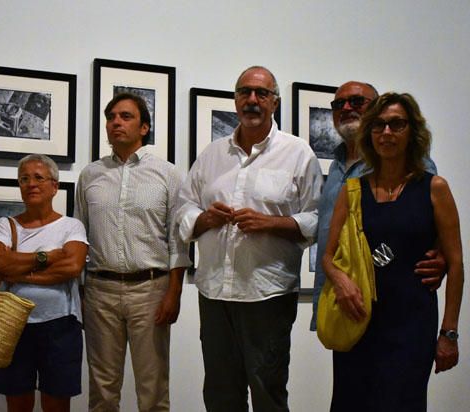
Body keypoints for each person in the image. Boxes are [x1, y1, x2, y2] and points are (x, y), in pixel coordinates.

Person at [176, 66, 322, 411]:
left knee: (267, 392)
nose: (252, 100)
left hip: (267, 295)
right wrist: (204, 218)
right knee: (220, 394)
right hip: (215, 294)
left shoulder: (298, 153)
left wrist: (271, 223)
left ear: (275, 102)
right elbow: (183, 208)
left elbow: (318, 219)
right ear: (235, 100)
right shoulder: (212, 154)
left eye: (261, 94)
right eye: (244, 92)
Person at [322, 92, 464, 411]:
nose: (387, 133)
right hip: (358, 321)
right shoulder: (352, 190)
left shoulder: (434, 188)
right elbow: (328, 256)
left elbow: (455, 265)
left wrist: (449, 333)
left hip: (411, 326)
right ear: (369, 133)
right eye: (380, 125)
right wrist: (340, 282)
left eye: (397, 124)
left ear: (412, 131)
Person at [76, 92, 190, 412]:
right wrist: (81, 291)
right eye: (111, 117)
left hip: (151, 289)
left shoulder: (168, 174)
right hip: (100, 290)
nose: (116, 122)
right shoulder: (90, 176)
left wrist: (174, 293)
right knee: (102, 387)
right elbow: (79, 235)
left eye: (125, 116)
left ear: (144, 127)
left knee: (152, 387)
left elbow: (178, 240)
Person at [310, 81, 445, 331]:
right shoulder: (334, 166)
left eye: (357, 101)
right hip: (342, 299)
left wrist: (441, 255)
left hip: (397, 302)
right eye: (339, 103)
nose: (347, 107)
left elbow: (428, 219)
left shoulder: (414, 164)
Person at [0, 154, 88, 412]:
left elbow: (72, 267)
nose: (30, 184)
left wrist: (20, 270)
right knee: (17, 403)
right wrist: (46, 257)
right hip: (13, 326)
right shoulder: (6, 224)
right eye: (24, 179)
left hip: (61, 326)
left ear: (54, 186)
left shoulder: (71, 226)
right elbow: (0, 263)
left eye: (38, 178)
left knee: (56, 404)